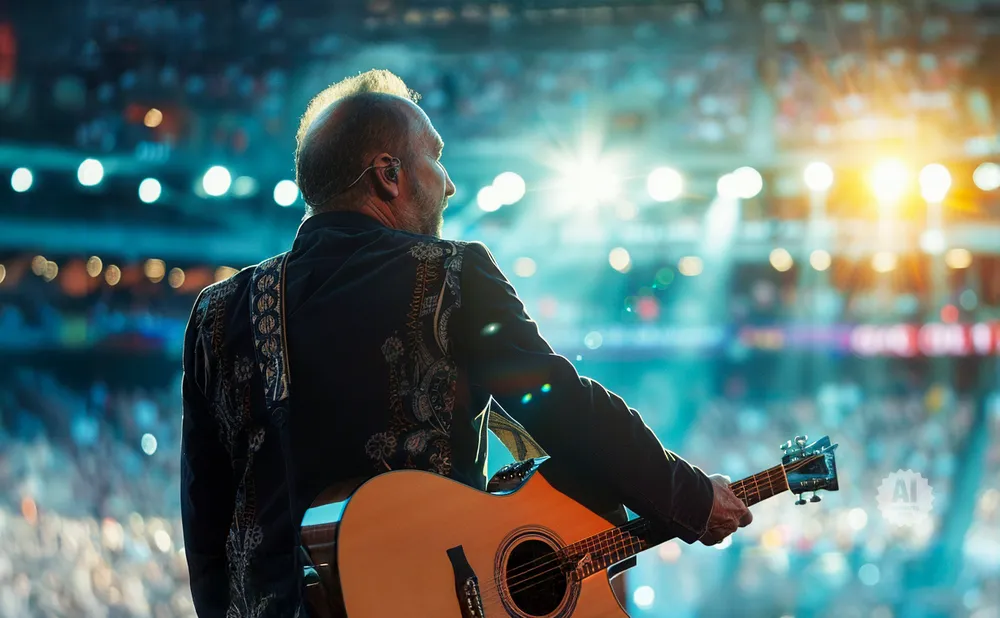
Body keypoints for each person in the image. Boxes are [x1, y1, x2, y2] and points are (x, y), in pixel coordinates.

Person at [180, 69, 752, 618]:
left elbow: (206, 527)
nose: (449, 183)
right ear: (389, 173)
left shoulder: (216, 313)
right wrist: (690, 497)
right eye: (436, 157)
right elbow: (562, 406)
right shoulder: (452, 276)